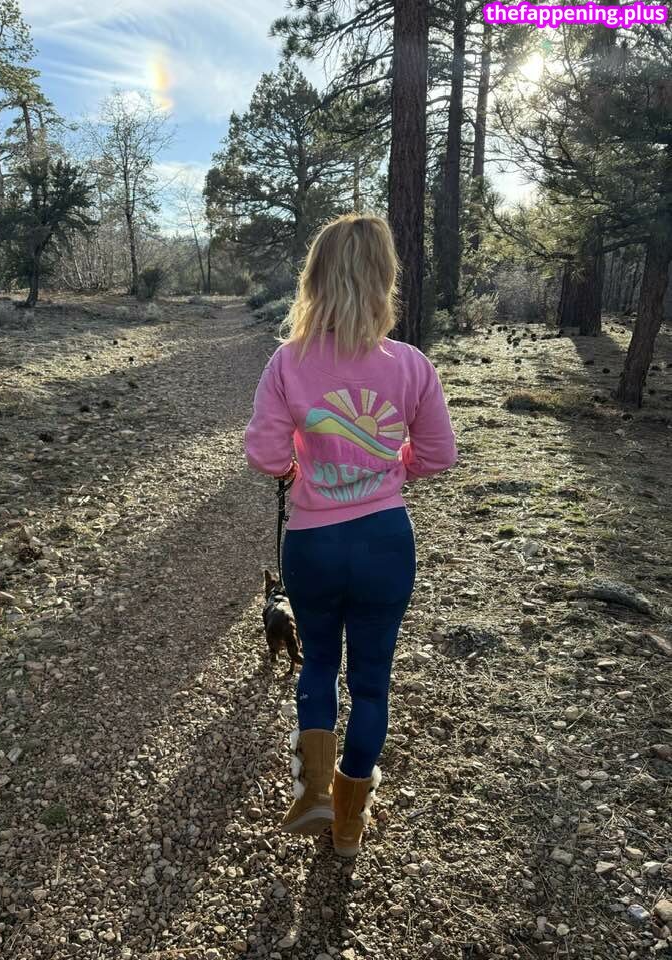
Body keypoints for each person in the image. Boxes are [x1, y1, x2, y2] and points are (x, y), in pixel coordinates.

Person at [244, 213, 457, 857]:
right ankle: (348, 824)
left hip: (313, 542)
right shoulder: (411, 365)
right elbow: (439, 455)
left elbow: (265, 454)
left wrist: (297, 468)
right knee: (371, 681)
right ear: (384, 281)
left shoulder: (288, 361)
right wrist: (392, 472)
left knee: (317, 663)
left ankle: (311, 790)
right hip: (385, 541)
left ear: (314, 281)